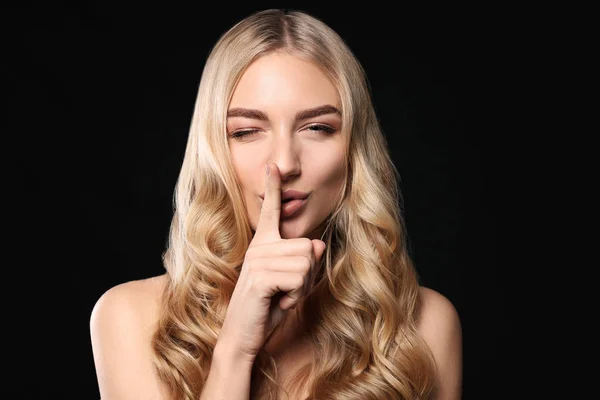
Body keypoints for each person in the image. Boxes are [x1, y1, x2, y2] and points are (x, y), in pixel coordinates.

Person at [90, 8, 462, 400]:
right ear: (214, 149)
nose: (284, 163)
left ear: (353, 150)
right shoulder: (131, 318)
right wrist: (234, 351)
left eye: (317, 128)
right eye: (247, 131)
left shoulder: (425, 324)